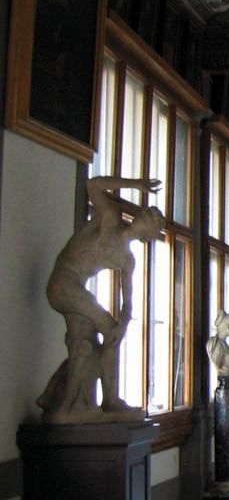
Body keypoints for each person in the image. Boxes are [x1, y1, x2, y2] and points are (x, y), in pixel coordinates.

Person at [38, 176, 165, 418]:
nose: (148, 214)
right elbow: (93, 185)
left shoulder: (127, 260)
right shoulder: (110, 218)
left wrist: (125, 325)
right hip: (64, 284)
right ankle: (110, 399)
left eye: (153, 218)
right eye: (148, 211)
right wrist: (137, 184)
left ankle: (59, 399)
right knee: (108, 328)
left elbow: (127, 302)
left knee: (84, 347)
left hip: (75, 292)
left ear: (149, 234)